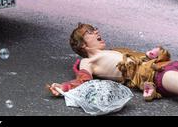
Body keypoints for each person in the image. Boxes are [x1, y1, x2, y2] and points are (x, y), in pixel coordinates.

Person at [47, 23, 178, 101]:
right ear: (83, 45)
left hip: (163, 64)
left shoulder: (114, 51)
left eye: (95, 29)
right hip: (155, 76)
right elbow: (83, 80)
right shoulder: (88, 61)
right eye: (91, 32)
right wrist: (64, 87)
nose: (96, 31)